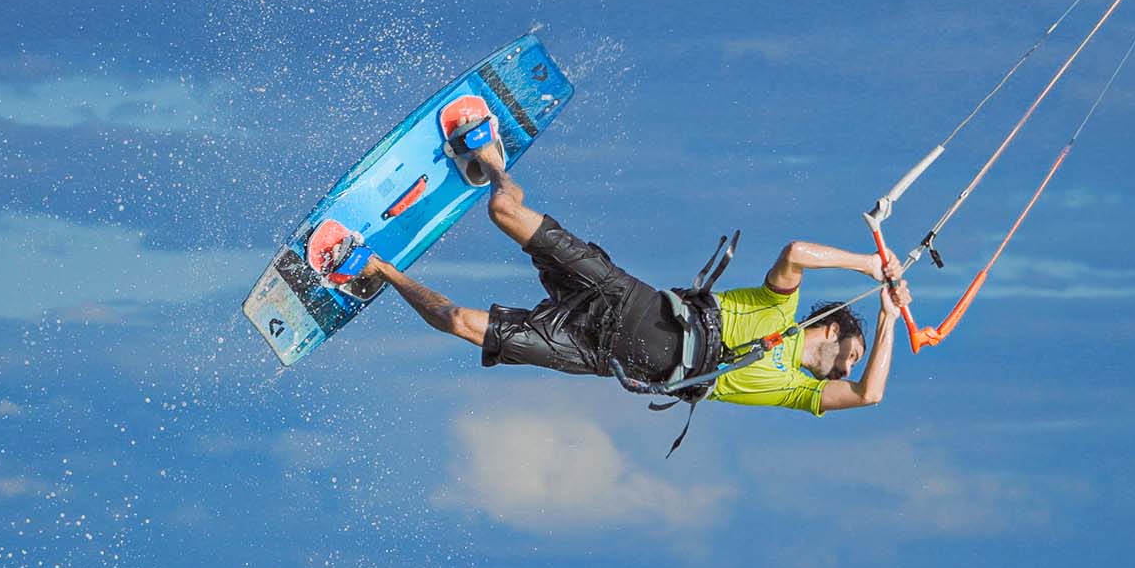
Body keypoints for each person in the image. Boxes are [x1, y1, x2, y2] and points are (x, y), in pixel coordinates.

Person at [359, 125, 907, 416]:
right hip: (624, 297)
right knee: (502, 209)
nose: (844, 370)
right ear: (831, 329)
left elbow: (869, 396)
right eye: (850, 356)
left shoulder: (795, 390)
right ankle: (493, 163)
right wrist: (867, 264)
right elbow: (795, 251)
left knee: (459, 321)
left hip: (598, 354)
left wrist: (886, 319)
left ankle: (377, 268)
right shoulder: (780, 306)